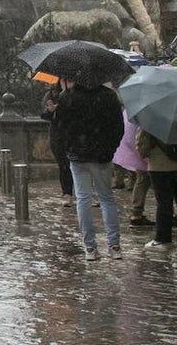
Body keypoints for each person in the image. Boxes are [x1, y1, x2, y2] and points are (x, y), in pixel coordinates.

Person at [55, 75, 124, 261]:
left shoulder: (67, 96)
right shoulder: (109, 96)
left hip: (78, 156)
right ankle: (114, 246)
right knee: (107, 198)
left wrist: (70, 147)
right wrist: (110, 147)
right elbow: (118, 127)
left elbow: (60, 127)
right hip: (102, 156)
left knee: (83, 199)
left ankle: (90, 248)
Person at [136, 125, 177, 253]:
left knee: (164, 203)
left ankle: (162, 239)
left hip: (159, 166)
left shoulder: (152, 119)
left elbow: (142, 146)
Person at [113, 110, 153, 229]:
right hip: (153, 153)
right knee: (163, 184)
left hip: (140, 150)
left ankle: (136, 213)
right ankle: (168, 213)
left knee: (142, 180)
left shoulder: (134, 109)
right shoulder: (149, 111)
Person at [41, 80, 74, 206]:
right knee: (63, 165)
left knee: (78, 166)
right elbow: (43, 114)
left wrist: (60, 108)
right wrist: (51, 110)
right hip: (57, 135)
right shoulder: (50, 96)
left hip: (72, 135)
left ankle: (81, 192)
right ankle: (67, 193)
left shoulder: (73, 95)